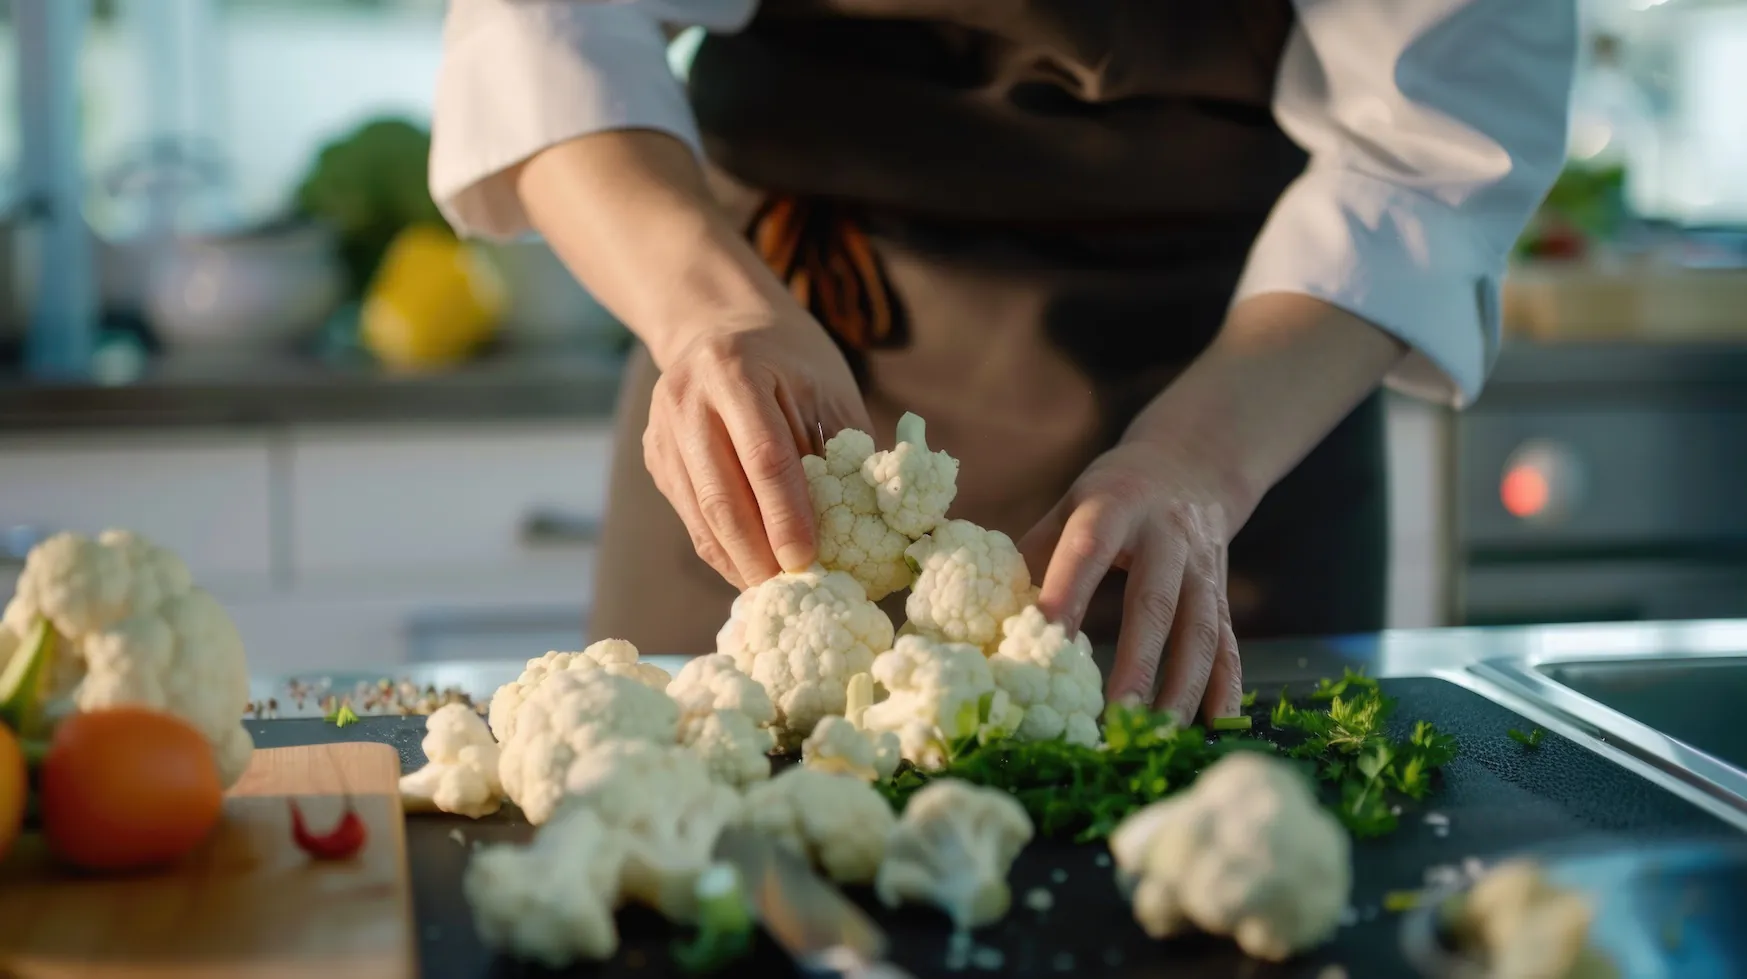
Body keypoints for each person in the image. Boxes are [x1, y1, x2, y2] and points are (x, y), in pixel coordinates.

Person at [430, 0, 1578, 723]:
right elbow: (545, 24)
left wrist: (1199, 462)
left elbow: (1430, 152)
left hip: (1235, 371)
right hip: (773, 319)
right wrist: (708, 317)